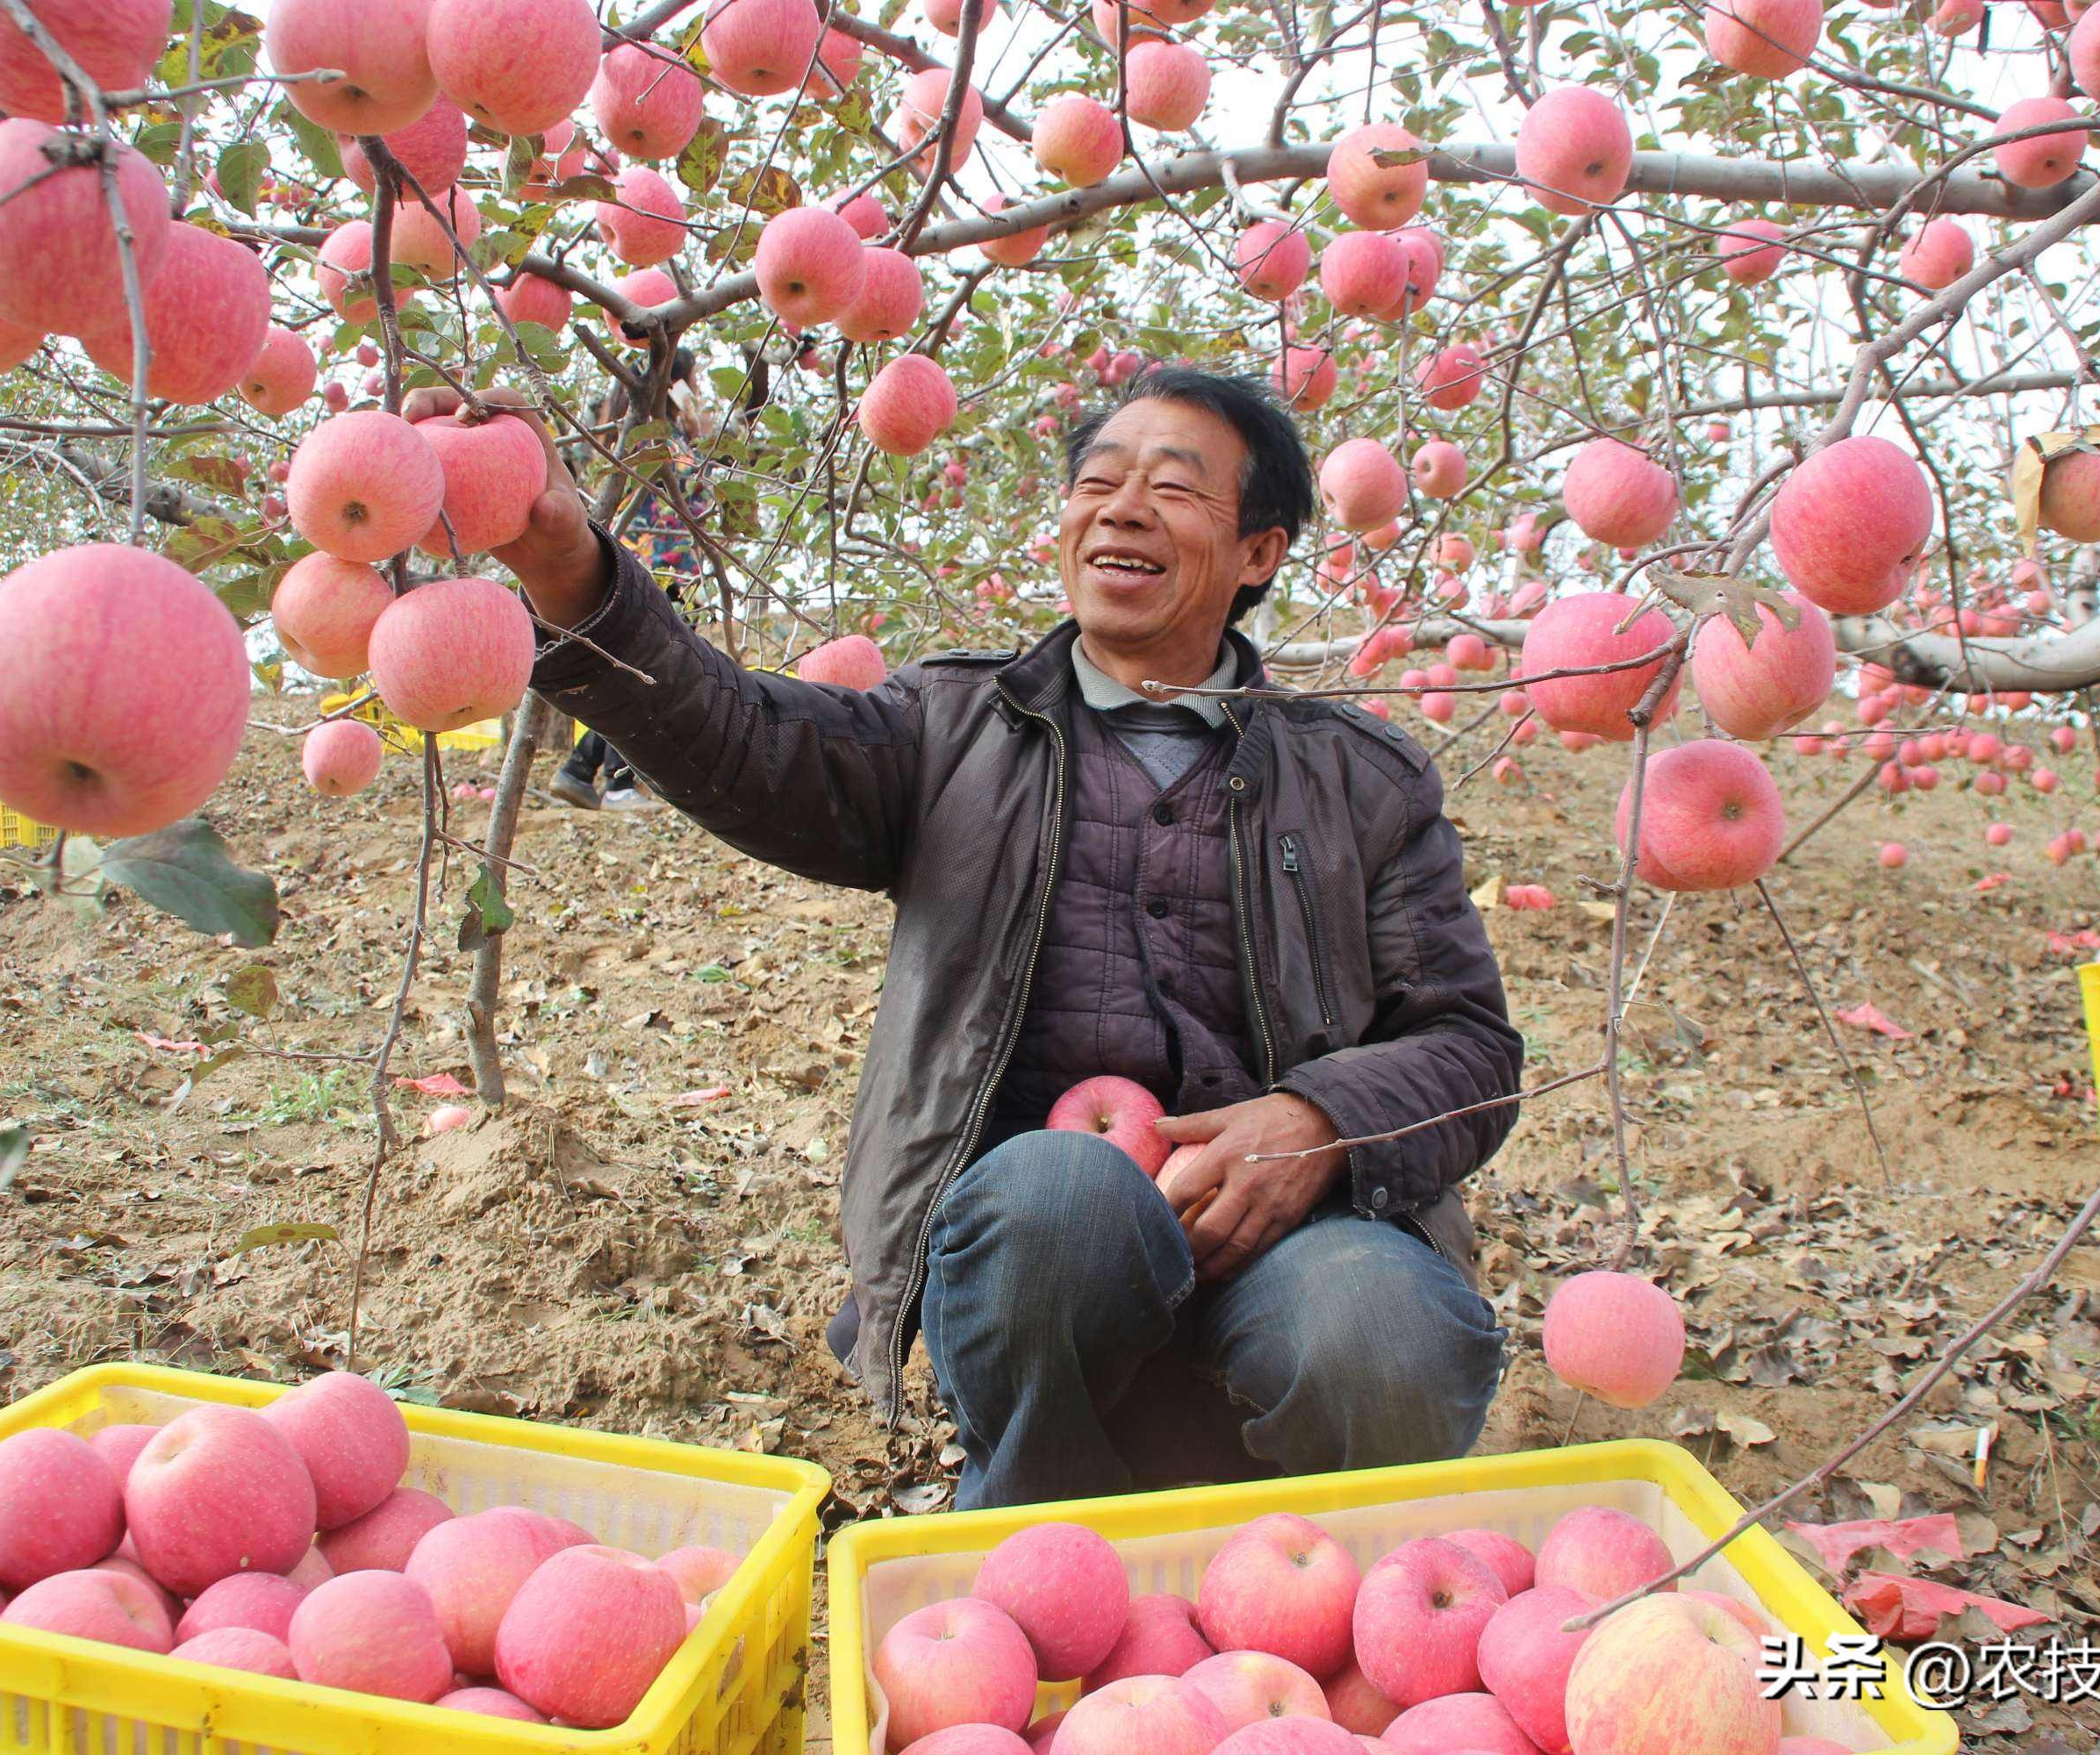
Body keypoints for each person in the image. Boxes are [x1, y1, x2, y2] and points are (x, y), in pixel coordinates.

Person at [409, 367, 1524, 1510]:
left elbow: (1471, 1047)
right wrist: (561, 562)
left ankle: (1310, 1575)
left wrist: (1321, 1125)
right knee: (1057, 1198)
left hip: (1300, 1245)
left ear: (1260, 553)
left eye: (1174, 488)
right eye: (1098, 481)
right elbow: (742, 736)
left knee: (1384, 1334)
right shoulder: (950, 729)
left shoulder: (1360, 777)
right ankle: (1033, 1531)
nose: (1123, 507)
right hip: (1041, 1256)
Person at [549, 351, 714, 810]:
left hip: (630, 565)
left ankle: (580, 771)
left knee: (628, 671)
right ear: (675, 383)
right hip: (669, 569)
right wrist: (695, 425)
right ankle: (617, 783)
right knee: (648, 675)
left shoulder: (613, 427)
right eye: (691, 380)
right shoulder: (666, 436)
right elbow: (698, 487)